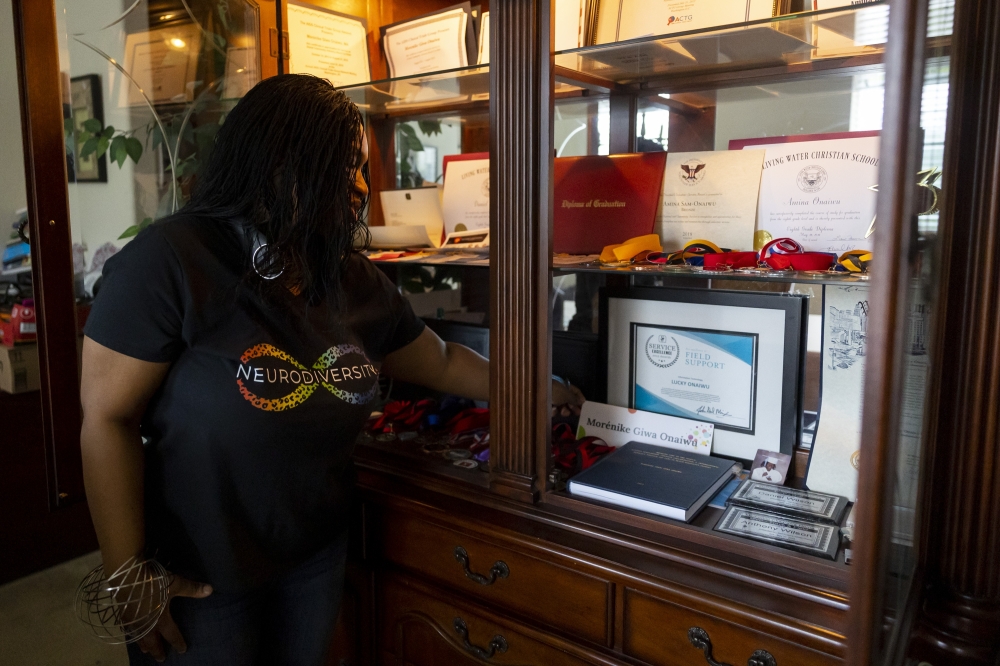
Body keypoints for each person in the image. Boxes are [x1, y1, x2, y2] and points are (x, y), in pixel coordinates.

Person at [80, 74, 581, 665]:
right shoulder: (172, 261)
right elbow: (106, 419)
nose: (361, 186)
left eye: (361, 169)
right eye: (342, 168)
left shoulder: (349, 277)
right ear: (276, 163)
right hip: (200, 573)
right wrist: (127, 572)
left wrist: (550, 392)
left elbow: (441, 362)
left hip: (313, 557)